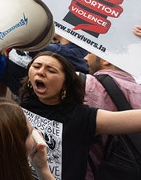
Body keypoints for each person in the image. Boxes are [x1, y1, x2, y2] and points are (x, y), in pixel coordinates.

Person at [20, 51, 141, 180]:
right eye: (36, 66)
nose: (41, 72)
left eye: (51, 70)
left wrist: (42, 170)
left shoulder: (82, 118)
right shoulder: (21, 106)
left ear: (65, 84)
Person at [82, 52, 141, 180]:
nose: (85, 57)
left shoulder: (85, 85)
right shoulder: (138, 91)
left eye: (90, 53)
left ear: (105, 59)